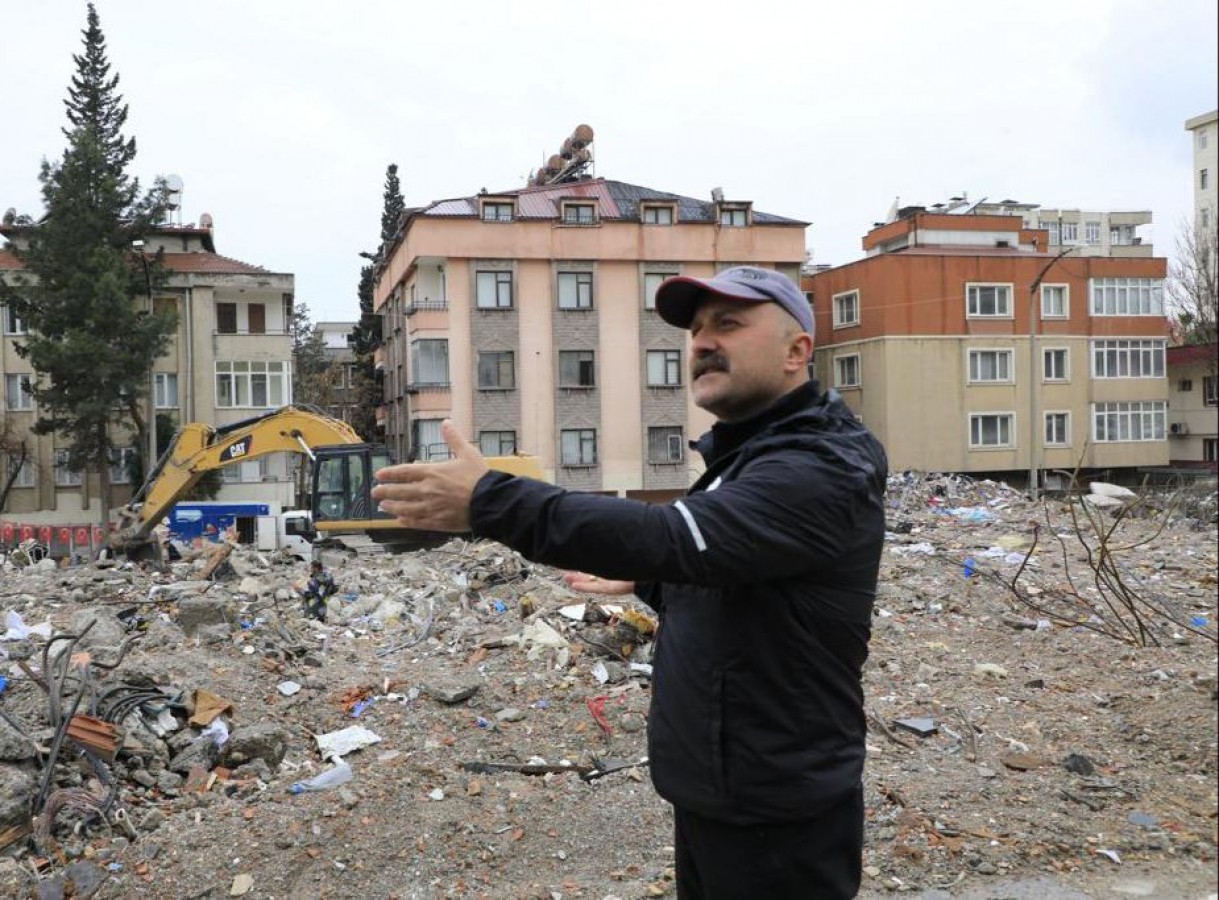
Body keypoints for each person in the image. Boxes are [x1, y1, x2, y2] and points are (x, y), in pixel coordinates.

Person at [372, 266, 888, 899]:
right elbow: (744, 580)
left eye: (727, 323)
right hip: (721, 792)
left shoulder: (818, 466)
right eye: (696, 330)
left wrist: (492, 503)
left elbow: (678, 536)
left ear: (796, 351)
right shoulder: (749, 460)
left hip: (779, 811)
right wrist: (655, 581)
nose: (701, 342)